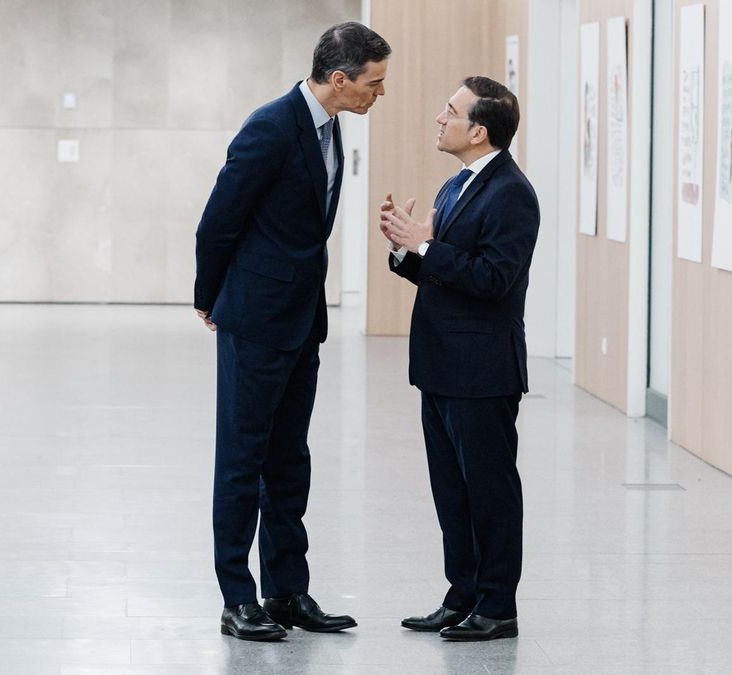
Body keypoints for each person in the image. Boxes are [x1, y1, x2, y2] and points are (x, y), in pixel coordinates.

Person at [193, 21, 390, 642]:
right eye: (373, 84)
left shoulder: (329, 129)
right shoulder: (271, 127)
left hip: (302, 321)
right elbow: (217, 222)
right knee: (242, 459)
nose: (378, 95)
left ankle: (286, 591)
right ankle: (236, 597)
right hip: (254, 319)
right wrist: (210, 298)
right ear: (340, 79)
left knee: (289, 460)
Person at [379, 76, 540, 642]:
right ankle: (463, 594)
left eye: (450, 111)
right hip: (442, 365)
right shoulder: (456, 186)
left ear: (479, 129)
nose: (438, 118)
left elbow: (494, 279)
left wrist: (428, 247)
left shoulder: (511, 193)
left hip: (483, 369)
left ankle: (498, 604)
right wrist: (407, 250)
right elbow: (445, 270)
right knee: (451, 489)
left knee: (489, 490)